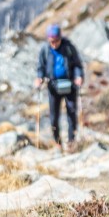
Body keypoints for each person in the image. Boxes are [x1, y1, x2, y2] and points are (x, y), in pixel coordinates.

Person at [35, 23, 84, 152]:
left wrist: (78, 76)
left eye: (56, 41)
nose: (54, 44)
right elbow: (41, 67)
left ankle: (71, 141)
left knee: (71, 113)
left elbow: (78, 65)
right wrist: (40, 77)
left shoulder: (69, 48)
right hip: (53, 87)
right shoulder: (45, 50)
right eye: (51, 41)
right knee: (53, 117)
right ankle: (57, 142)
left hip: (70, 86)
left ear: (60, 38)